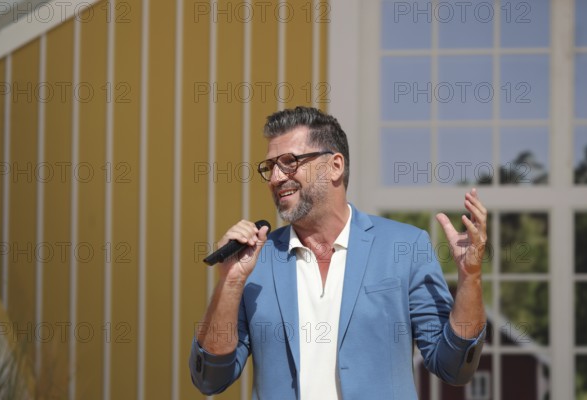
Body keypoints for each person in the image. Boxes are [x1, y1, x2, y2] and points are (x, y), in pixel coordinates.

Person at [190, 106, 487, 399]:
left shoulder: (405, 247)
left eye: (289, 162)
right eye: (270, 167)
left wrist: (470, 277)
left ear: (335, 166)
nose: (275, 178)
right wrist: (230, 283)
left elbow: (453, 367)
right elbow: (210, 379)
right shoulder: (255, 261)